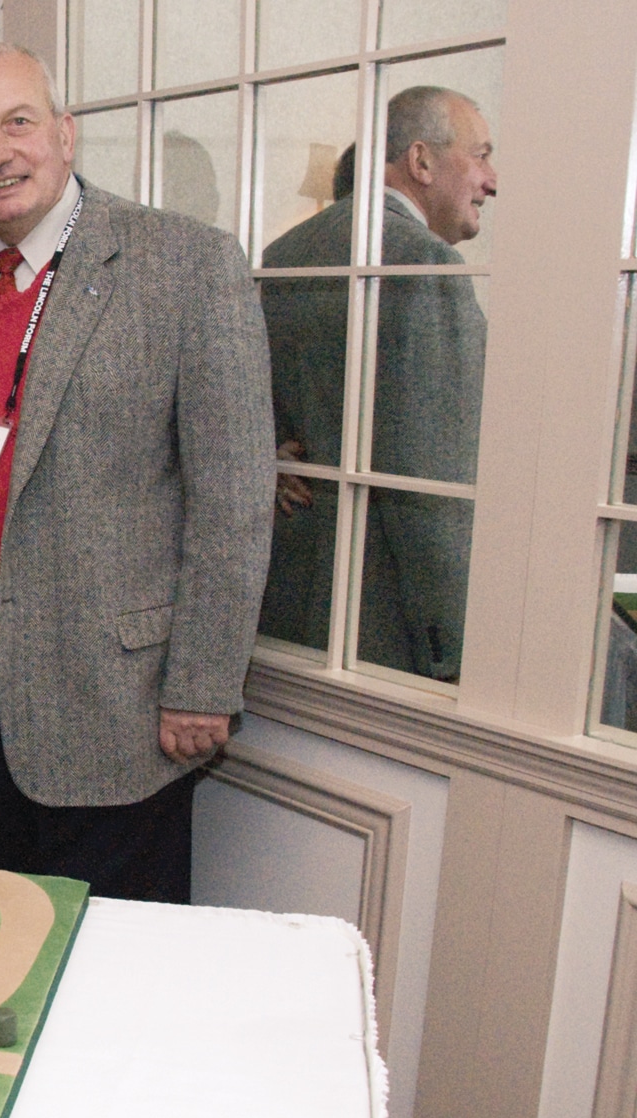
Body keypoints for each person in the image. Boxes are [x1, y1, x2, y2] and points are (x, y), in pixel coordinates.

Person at [0, 44, 273, 900]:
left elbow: (234, 502)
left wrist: (203, 683)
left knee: (112, 961)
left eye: (18, 123)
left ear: (65, 134)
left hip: (113, 695)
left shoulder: (186, 266)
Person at [260, 86, 495, 681]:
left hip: (279, 605)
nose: (492, 180)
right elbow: (433, 487)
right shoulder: (427, 266)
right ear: (420, 162)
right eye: (482, 155)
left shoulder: (280, 254)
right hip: (387, 628)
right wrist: (455, 644)